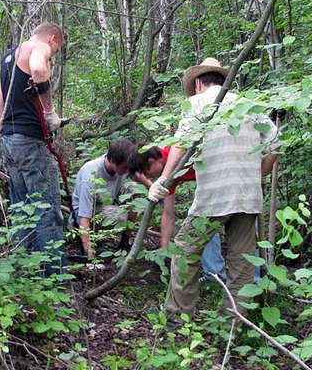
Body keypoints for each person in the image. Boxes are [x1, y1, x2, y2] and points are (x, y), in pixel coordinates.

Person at [148, 57, 281, 319]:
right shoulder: (247, 105)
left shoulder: (197, 103)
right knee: (242, 263)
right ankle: (232, 322)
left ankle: (178, 317)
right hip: (248, 195)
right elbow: (276, 141)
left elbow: (181, 144)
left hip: (214, 196)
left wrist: (163, 180)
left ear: (198, 83)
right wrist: (260, 174)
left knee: (185, 251)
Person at [0, 23, 66, 277]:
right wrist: (50, 113)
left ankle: (23, 275)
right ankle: (53, 280)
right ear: (52, 38)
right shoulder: (38, 47)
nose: (52, 54)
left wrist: (8, 135)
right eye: (55, 50)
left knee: (22, 208)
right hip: (31, 142)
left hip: (9, 140)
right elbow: (38, 69)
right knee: (46, 209)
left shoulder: (8, 58)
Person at [129, 143, 226, 280]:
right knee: (203, 221)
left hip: (224, 172)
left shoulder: (176, 150)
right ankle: (215, 275)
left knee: (216, 220)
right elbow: (168, 215)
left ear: (152, 161)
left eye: (147, 173)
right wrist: (164, 253)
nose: (150, 178)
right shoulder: (168, 175)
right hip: (210, 181)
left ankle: (250, 277)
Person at [69, 138, 137, 257]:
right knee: (123, 216)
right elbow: (83, 216)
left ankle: (124, 243)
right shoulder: (91, 173)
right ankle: (88, 241)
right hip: (85, 216)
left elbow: (139, 176)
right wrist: (90, 256)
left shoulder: (122, 166)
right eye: (125, 167)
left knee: (134, 188)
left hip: (105, 207)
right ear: (111, 160)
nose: (127, 171)